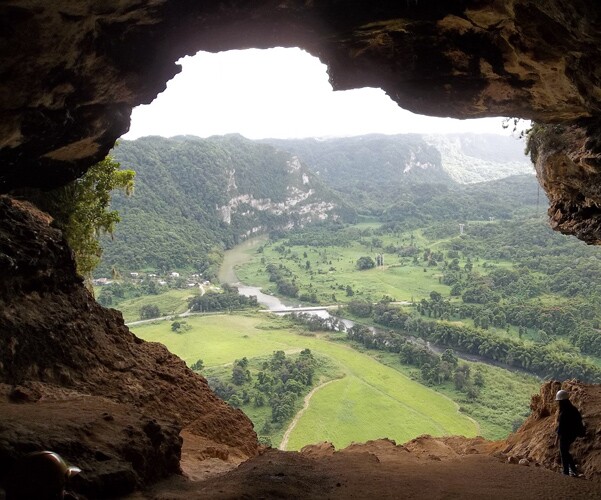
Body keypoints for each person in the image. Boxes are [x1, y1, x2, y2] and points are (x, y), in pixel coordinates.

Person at [555, 389, 585, 477]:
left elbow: (561, 428)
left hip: (565, 435)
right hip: (573, 434)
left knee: (563, 452)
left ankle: (566, 471)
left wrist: (556, 439)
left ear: (561, 402)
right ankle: (573, 470)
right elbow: (579, 421)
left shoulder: (563, 413)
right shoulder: (574, 409)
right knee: (565, 451)